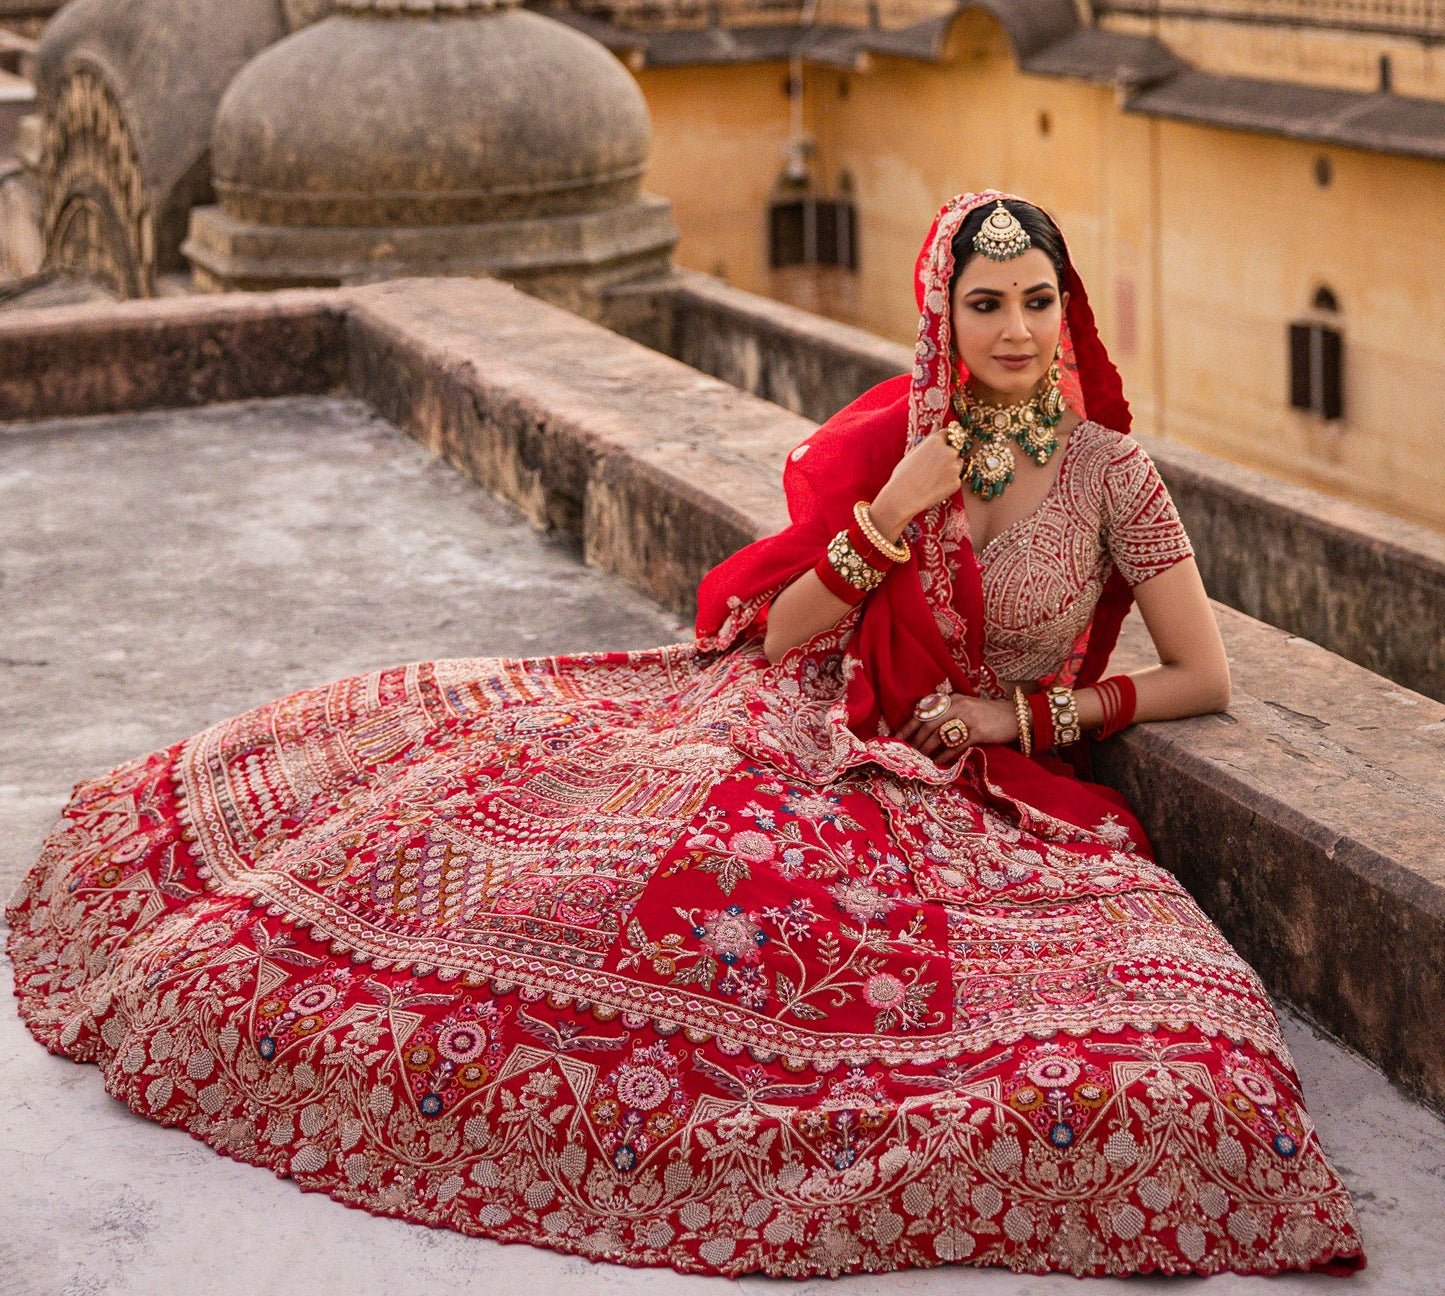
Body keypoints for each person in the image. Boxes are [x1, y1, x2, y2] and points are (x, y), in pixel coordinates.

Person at [8, 190, 1363, 1279]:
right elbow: (782, 636)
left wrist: (1020, 715)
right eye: (986, 302)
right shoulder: (907, 441)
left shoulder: (1114, 474)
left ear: (1067, 310)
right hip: (814, 711)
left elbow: (1201, 674)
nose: (1016, 329)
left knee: (1189, 1082)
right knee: (613, 874)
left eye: (1038, 300)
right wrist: (901, 502)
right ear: (944, 316)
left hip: (974, 777)